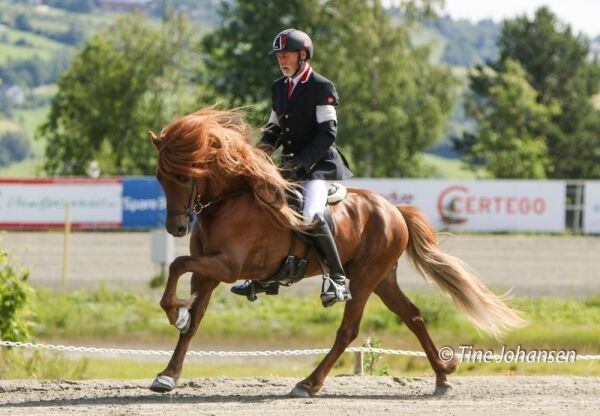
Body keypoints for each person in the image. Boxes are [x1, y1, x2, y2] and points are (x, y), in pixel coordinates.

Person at [231, 28, 353, 306]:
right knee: (261, 205)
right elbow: (274, 129)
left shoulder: (322, 87)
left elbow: (328, 134)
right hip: (289, 165)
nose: (281, 60)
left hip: (319, 164)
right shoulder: (279, 87)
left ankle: (337, 278)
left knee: (310, 214)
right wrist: (259, 153)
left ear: (302, 55)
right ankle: (265, 277)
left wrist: (301, 164)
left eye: (285, 55)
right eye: (278, 56)